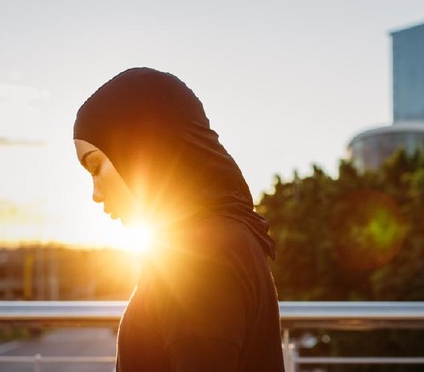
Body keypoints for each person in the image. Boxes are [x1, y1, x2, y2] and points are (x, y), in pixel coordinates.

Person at [73, 67, 285, 372]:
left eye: (95, 167)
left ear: (142, 150)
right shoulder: (215, 239)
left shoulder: (202, 257)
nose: (95, 193)